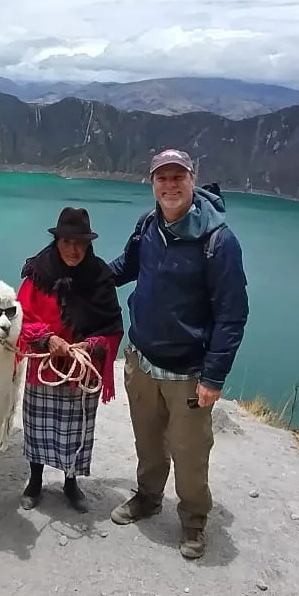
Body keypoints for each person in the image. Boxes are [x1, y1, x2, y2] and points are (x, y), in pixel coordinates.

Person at [108, 149, 248, 560]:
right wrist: (74, 272)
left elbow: (232, 314)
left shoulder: (218, 242)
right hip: (142, 359)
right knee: (148, 441)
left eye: (177, 177)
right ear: (152, 183)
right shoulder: (149, 225)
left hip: (188, 371)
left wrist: (214, 377)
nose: (169, 185)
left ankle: (193, 521)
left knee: (189, 452)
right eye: (161, 178)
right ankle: (148, 498)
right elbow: (126, 267)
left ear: (193, 180)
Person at [16, 207, 124, 513]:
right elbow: (20, 316)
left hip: (80, 371)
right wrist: (47, 339)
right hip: (45, 367)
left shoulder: (99, 277)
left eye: (80, 243)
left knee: (75, 428)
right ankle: (35, 480)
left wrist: (92, 346)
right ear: (57, 241)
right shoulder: (38, 273)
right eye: (67, 242)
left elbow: (113, 326)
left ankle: (70, 483)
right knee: (37, 425)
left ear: (89, 244)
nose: (74, 249)